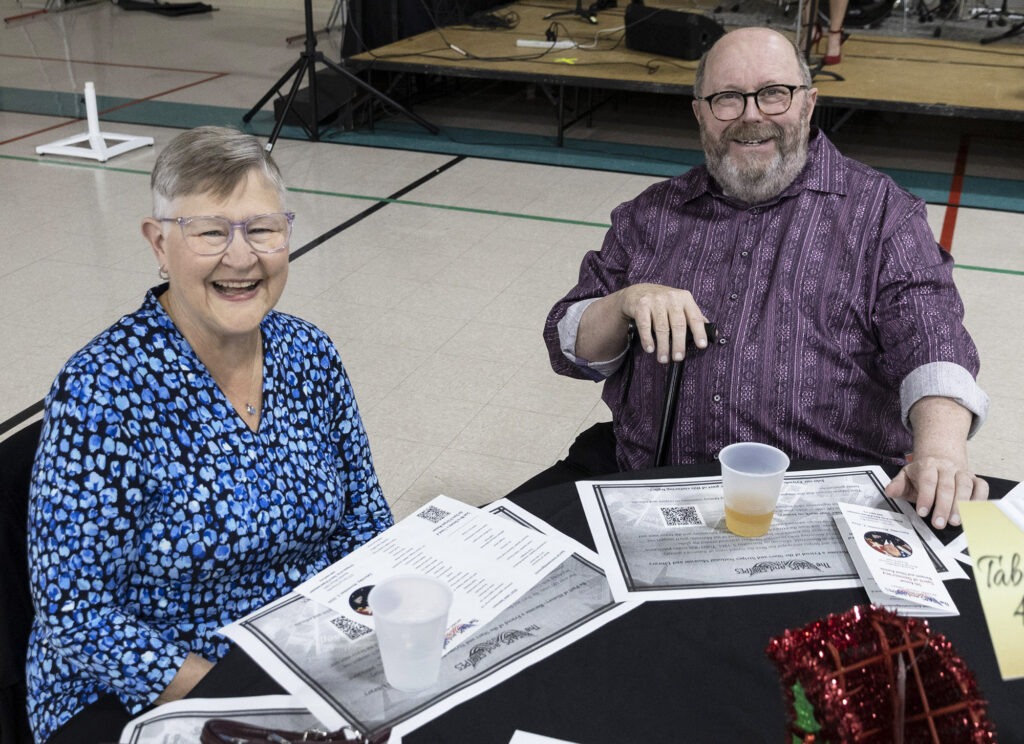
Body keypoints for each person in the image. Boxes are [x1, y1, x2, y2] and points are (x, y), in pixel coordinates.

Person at [25, 127, 394, 744]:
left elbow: (365, 519)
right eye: (210, 232)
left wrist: (376, 623)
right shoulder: (103, 391)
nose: (242, 256)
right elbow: (76, 615)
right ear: (160, 244)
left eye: (263, 229)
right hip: (138, 694)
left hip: (303, 661)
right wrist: (252, 702)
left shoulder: (309, 351)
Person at [537, 28, 989, 530]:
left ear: (808, 103)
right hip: (652, 487)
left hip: (823, 508)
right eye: (727, 98)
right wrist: (624, 300)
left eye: (774, 93)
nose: (752, 115)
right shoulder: (649, 215)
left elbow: (933, 340)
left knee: (997, 597)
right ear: (700, 113)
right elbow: (567, 346)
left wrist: (941, 453)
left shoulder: (884, 215)